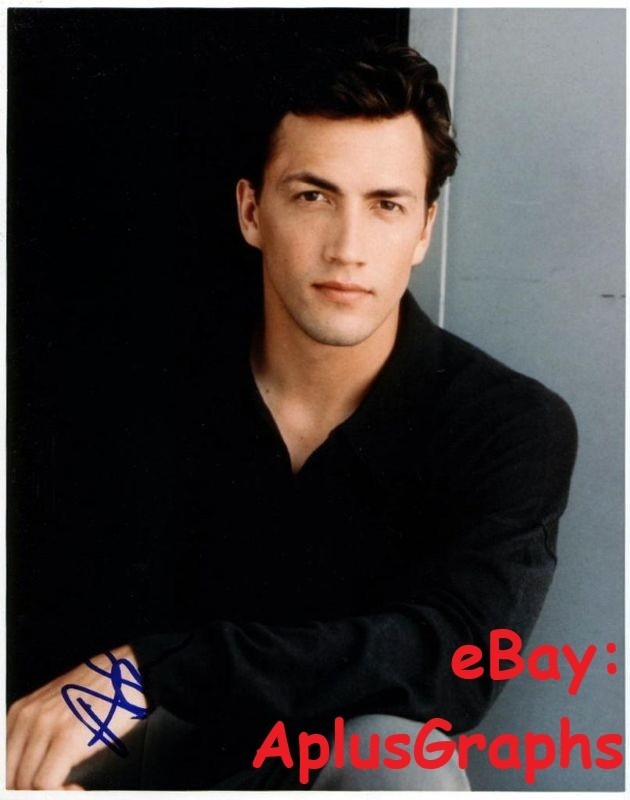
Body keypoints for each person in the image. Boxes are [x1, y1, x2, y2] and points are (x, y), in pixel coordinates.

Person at [6, 40, 577, 791]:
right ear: (252, 211)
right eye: (313, 196)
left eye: (386, 205)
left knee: (402, 763)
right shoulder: (139, 392)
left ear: (423, 230)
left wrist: (157, 668)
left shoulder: (509, 422)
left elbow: (456, 660)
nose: (347, 249)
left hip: (322, 755)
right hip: (151, 744)